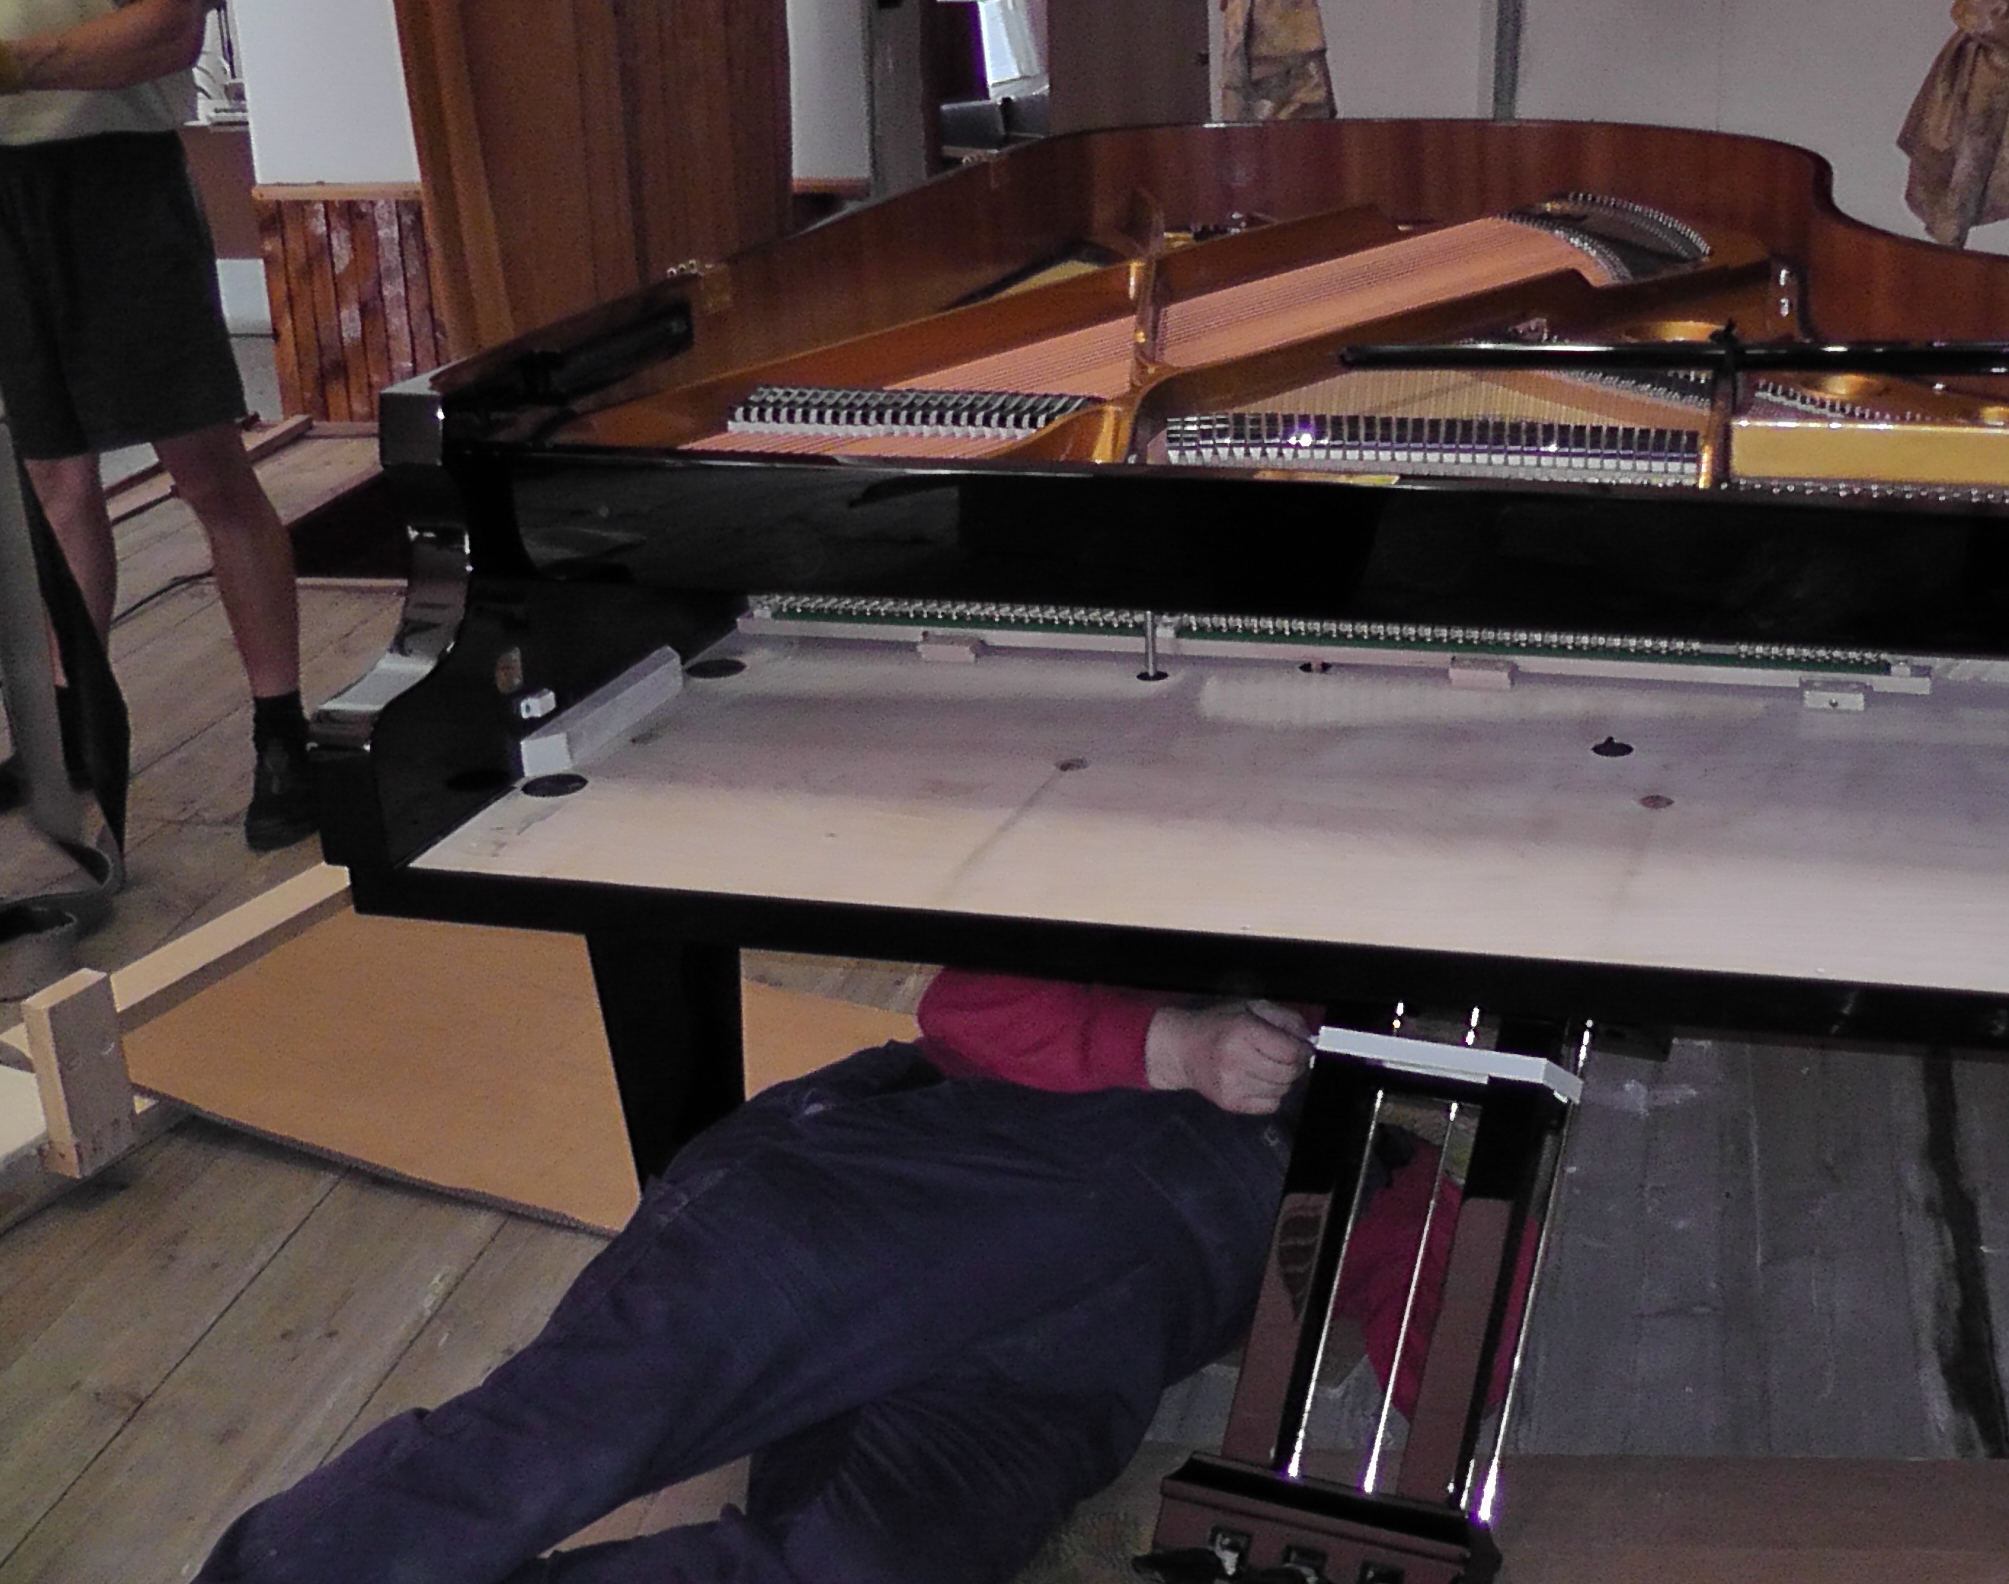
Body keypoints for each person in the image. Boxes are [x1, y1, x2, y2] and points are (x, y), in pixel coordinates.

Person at [195, 971, 1318, 1584]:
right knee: (574, 1432)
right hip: (894, 1184)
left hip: (1064, 1356)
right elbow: (966, 1002)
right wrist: (1172, 1042)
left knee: (875, 1570)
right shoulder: (1194, 880)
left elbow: (1411, 1310)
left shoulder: (1385, 1130)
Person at [0, 0, 314, 850]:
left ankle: (282, 733)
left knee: (207, 473)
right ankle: (73, 724)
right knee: (54, 480)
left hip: (116, 178)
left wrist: (10, 67)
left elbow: (170, 33)